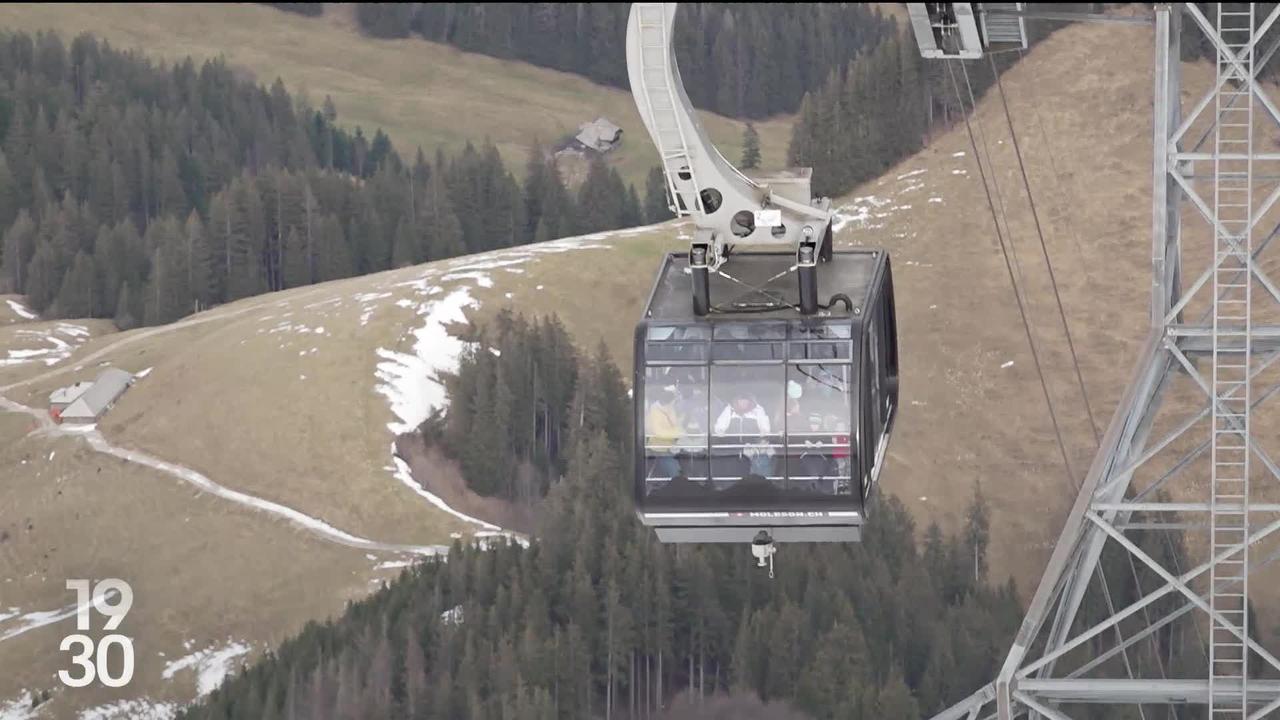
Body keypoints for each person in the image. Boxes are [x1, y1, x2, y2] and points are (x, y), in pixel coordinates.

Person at [714, 392, 775, 478]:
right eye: (741, 401)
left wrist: (760, 442)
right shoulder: (729, 410)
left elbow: (765, 429)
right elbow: (719, 427)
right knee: (732, 471)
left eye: (746, 401)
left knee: (751, 472)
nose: (743, 403)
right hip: (734, 449)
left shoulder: (758, 410)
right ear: (737, 401)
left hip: (752, 450)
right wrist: (722, 435)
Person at [647, 386, 685, 480]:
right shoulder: (654, 412)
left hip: (672, 446)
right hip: (659, 449)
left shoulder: (669, 408)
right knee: (673, 468)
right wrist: (677, 433)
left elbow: (674, 423)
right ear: (667, 402)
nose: (673, 404)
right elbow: (658, 432)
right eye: (672, 402)